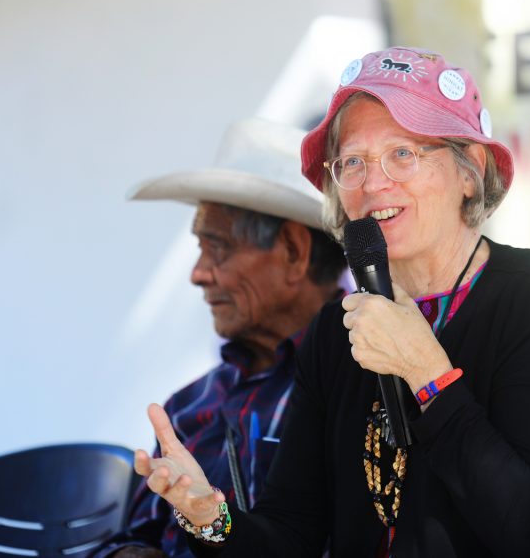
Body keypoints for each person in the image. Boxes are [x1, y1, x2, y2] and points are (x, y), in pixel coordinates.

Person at [134, 47, 530, 557]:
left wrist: (428, 374)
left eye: (403, 154)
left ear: (469, 171)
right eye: (352, 162)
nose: (372, 183)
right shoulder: (335, 332)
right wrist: (211, 519)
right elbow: (291, 535)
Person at [94, 118, 345, 558]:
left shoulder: (367, 384)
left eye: (218, 247)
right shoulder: (190, 408)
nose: (198, 274)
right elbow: (137, 536)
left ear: (293, 251)